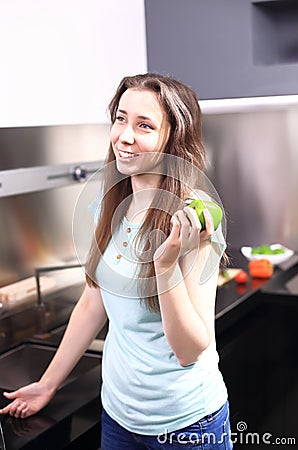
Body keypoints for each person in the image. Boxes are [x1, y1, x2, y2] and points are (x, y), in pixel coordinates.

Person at [0, 73, 232, 449]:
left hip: (186, 425)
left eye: (144, 125)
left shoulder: (192, 221)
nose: (124, 136)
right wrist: (47, 383)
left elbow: (190, 349)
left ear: (173, 139)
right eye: (120, 118)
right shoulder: (107, 206)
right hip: (119, 418)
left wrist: (165, 267)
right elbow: (94, 299)